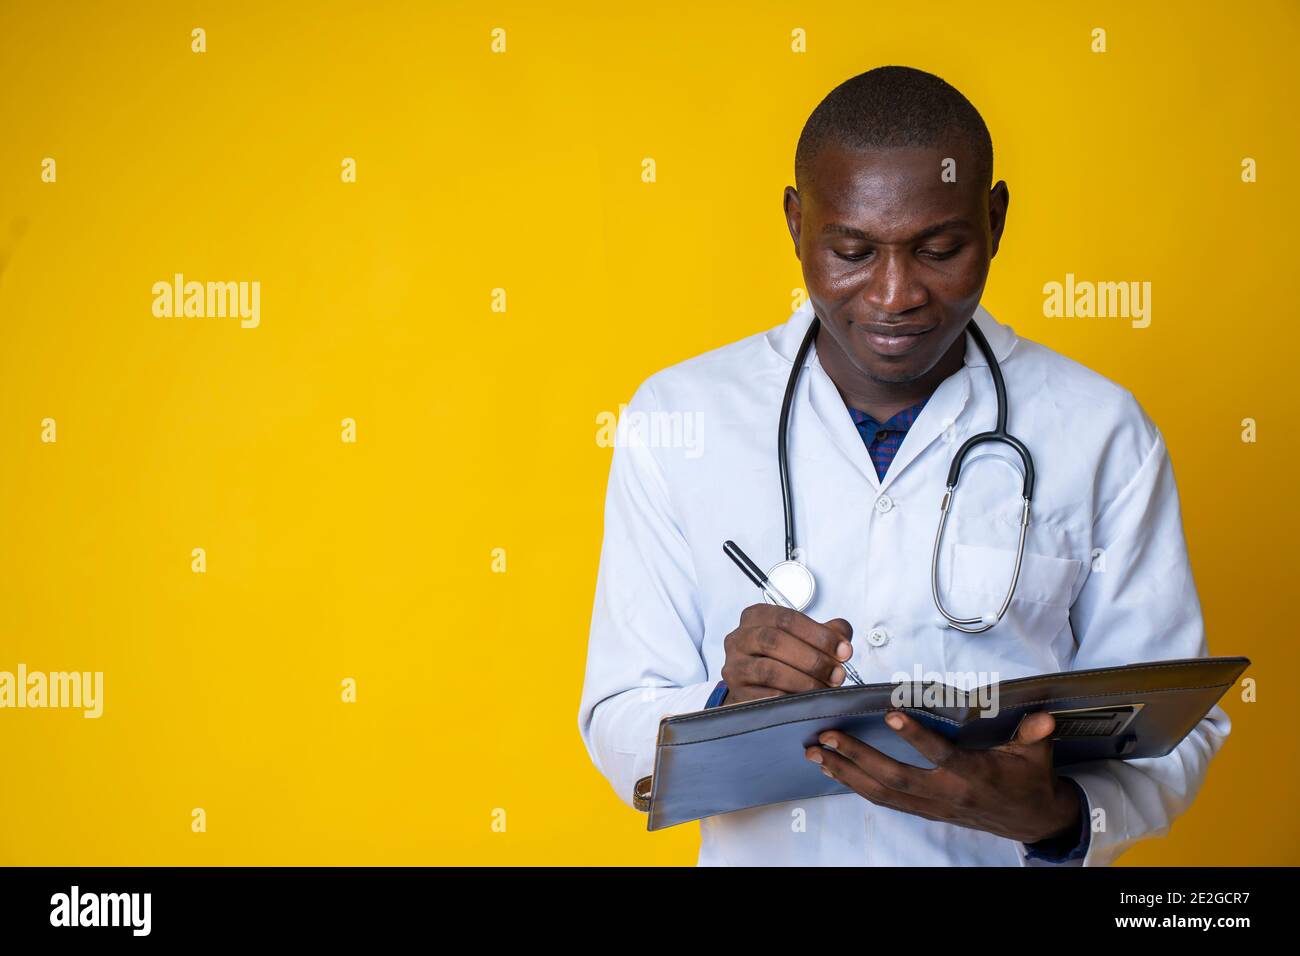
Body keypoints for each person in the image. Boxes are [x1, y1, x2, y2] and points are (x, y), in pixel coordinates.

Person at [577, 65, 1229, 866]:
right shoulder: (682, 417)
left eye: (940, 248)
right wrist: (726, 700)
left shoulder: (1101, 431)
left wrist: (1057, 813)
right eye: (852, 250)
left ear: (993, 220)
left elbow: (1176, 728)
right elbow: (617, 718)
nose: (895, 294)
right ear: (794, 222)